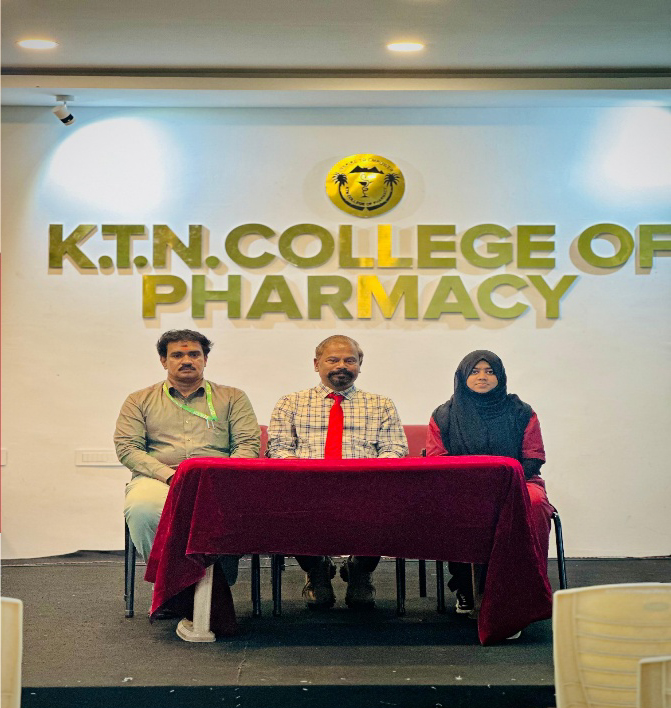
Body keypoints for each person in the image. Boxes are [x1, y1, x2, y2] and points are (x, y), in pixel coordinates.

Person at [267, 335, 408, 610]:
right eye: (333, 360)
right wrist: (303, 476)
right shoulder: (290, 403)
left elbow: (395, 448)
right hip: (306, 488)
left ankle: (360, 570)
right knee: (286, 507)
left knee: (388, 505)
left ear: (359, 365)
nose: (341, 365)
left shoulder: (381, 404)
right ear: (316, 364)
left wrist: (371, 477)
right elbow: (279, 448)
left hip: (365, 489)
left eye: (349, 360)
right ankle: (316, 570)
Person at [115, 329, 260, 595]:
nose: (186, 360)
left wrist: (221, 477)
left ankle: (215, 587)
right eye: (177, 355)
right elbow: (128, 448)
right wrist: (170, 476)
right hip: (160, 479)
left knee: (235, 508)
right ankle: (171, 588)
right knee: (142, 509)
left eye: (194, 354)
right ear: (163, 361)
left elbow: (247, 445)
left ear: (205, 359)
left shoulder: (233, 398)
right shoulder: (138, 400)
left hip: (219, 480)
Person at [425, 349, 553, 616]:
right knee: (454, 508)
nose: (482, 377)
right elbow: (438, 460)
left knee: (535, 503)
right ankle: (466, 586)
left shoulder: (521, 411)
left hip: (518, 483)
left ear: (500, 376)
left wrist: (505, 483)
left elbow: (534, 456)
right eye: (475, 371)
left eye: (490, 371)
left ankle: (525, 588)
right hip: (463, 487)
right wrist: (476, 486)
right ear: (462, 376)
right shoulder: (444, 415)